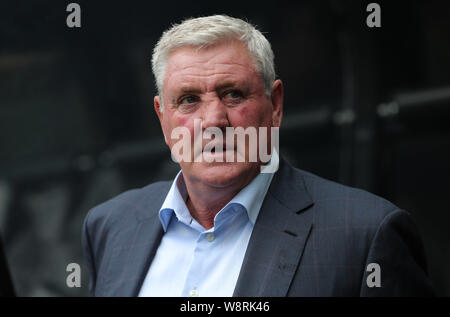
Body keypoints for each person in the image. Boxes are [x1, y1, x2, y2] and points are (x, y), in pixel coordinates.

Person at [82, 15, 434, 296]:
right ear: (162, 117)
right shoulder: (110, 227)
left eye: (233, 94)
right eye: (189, 99)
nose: (213, 120)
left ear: (275, 106)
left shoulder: (365, 235)